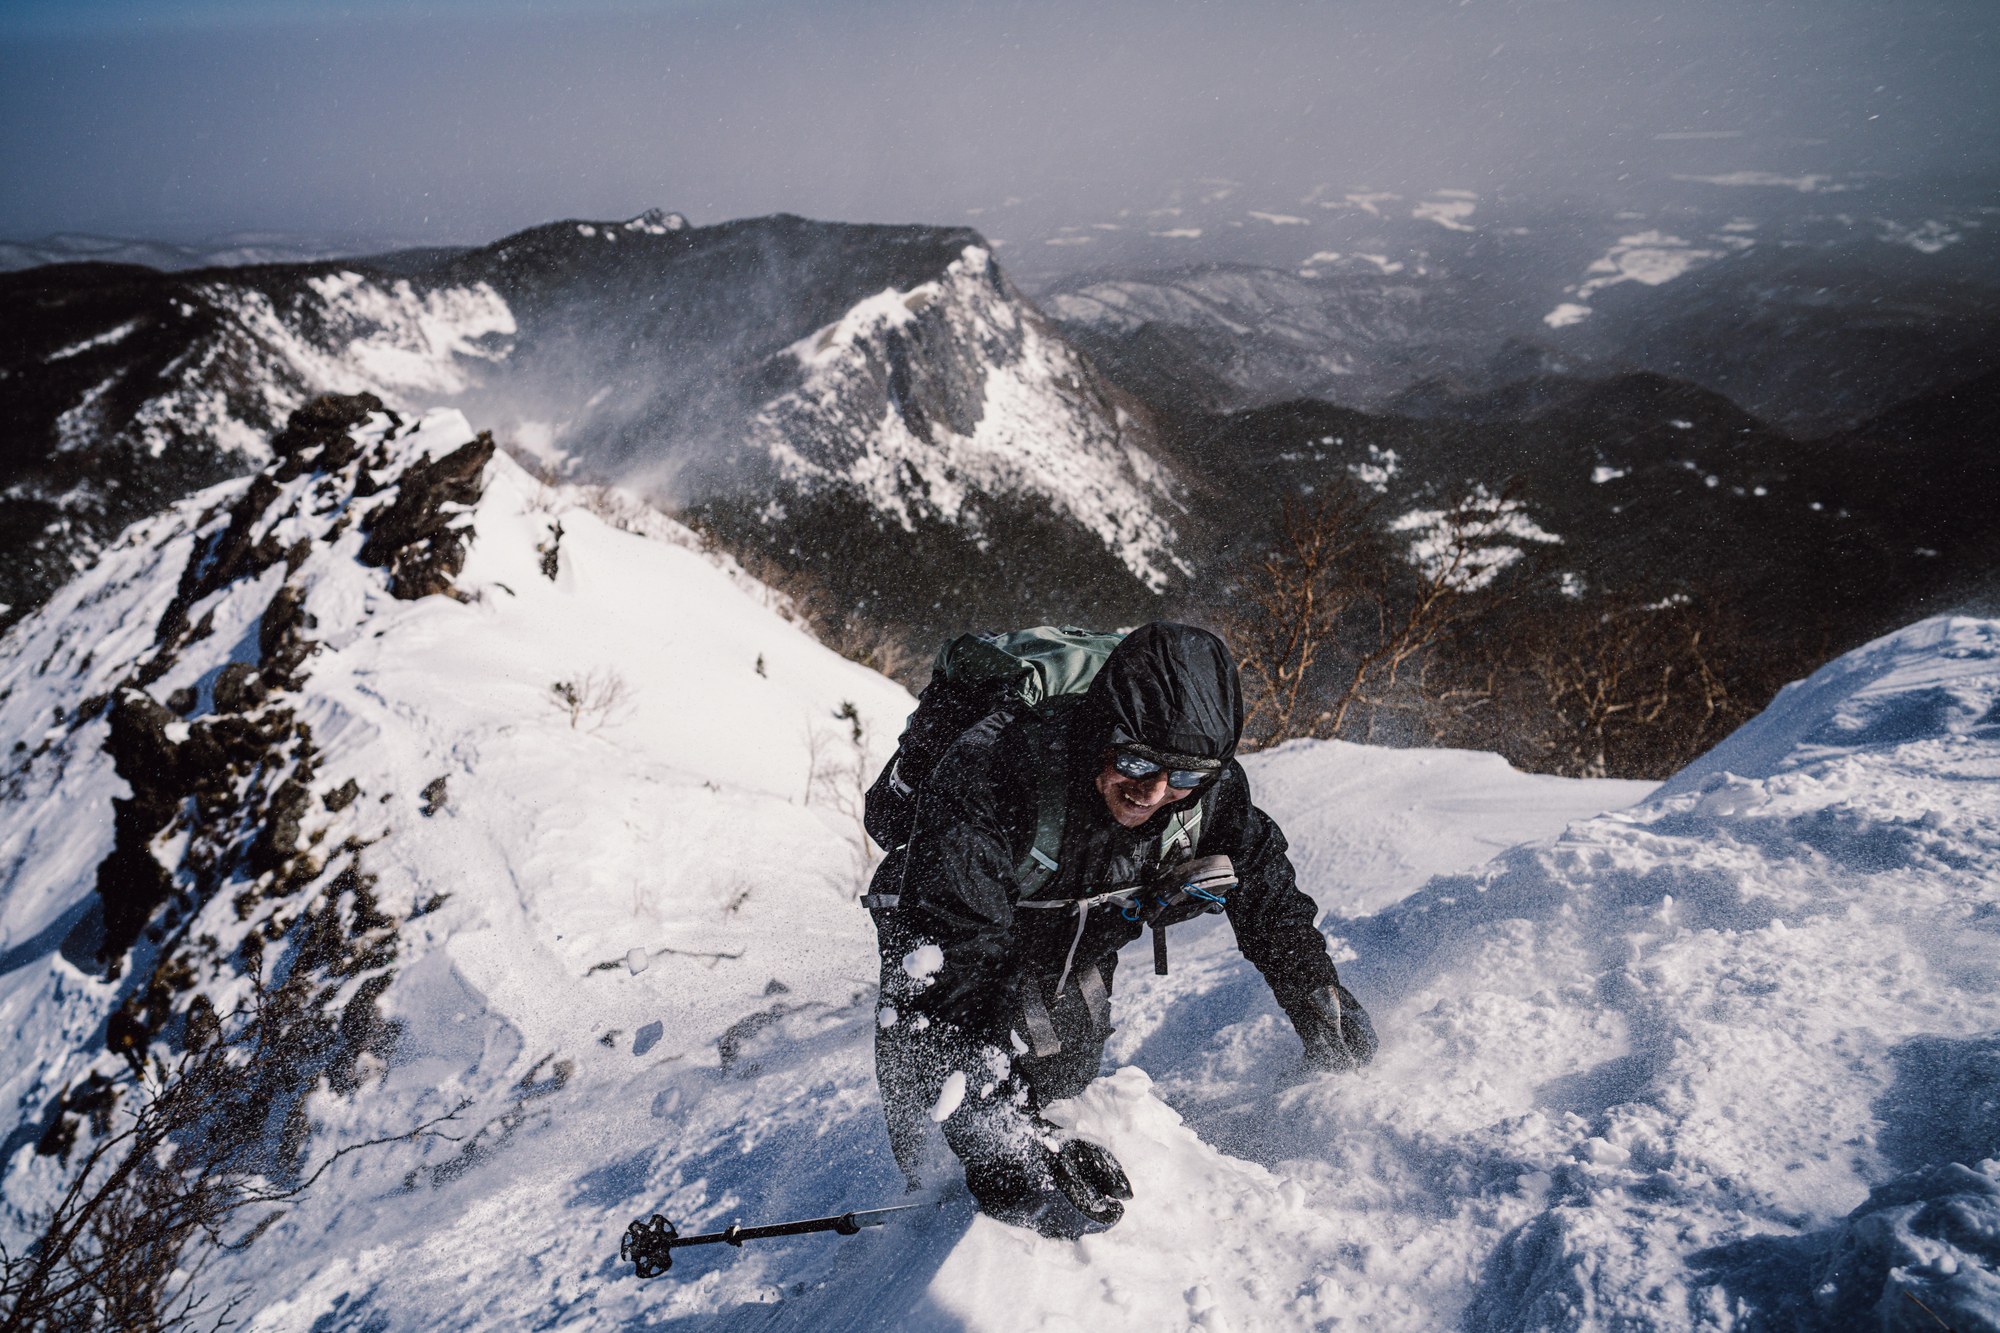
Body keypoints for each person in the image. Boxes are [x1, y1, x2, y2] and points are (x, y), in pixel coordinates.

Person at [866, 622, 1376, 1236]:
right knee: (939, 1102)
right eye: (1134, 761)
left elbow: (1263, 882)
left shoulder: (1207, 793)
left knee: (1061, 1078)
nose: (1154, 793)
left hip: (1079, 924)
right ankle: (917, 1226)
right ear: (1096, 730)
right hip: (941, 921)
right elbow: (958, 955)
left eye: (1182, 777)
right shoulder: (994, 770)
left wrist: (1312, 989)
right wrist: (997, 1136)